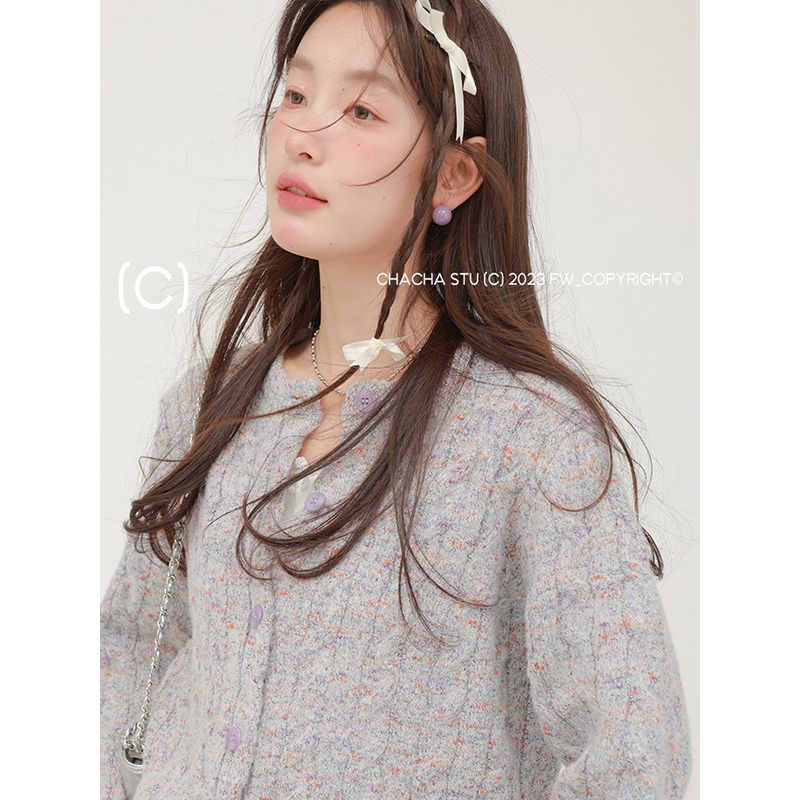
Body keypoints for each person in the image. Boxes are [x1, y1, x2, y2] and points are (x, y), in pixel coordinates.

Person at [101, 0, 691, 797]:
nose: (303, 135)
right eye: (296, 94)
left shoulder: (529, 436)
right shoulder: (209, 402)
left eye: (361, 110)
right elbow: (128, 646)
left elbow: (634, 755)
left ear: (454, 174)